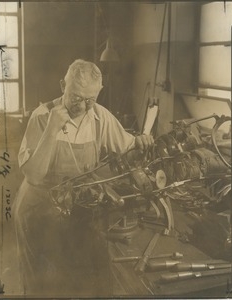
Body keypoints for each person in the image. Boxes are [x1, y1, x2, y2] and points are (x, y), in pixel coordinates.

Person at [13, 59, 154, 297]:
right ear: (62, 86)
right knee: (43, 284)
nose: (83, 107)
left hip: (78, 207)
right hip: (39, 209)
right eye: (76, 97)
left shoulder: (100, 117)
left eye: (91, 99)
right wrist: (52, 129)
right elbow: (34, 175)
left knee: (93, 278)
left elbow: (128, 149)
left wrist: (141, 143)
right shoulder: (42, 116)